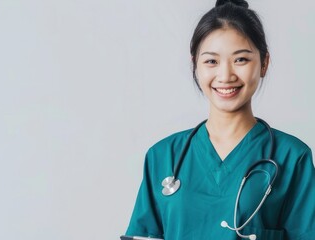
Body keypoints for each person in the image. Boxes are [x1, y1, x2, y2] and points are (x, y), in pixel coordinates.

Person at [124, 0, 315, 239]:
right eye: (211, 61)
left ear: (264, 63)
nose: (225, 76)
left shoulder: (292, 157)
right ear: (195, 64)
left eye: (241, 60)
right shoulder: (163, 157)